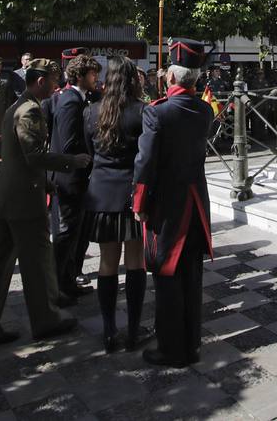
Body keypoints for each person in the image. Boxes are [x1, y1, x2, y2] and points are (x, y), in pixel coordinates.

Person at [0, 59, 91, 350]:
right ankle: (46, 319)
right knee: (38, 263)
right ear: (40, 81)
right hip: (24, 200)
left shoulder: (17, 106)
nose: (56, 86)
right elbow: (34, 155)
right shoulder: (30, 110)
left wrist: (47, 181)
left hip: (8, 196)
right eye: (53, 80)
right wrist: (71, 162)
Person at [133, 39, 215, 367]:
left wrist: (139, 201)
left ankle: (170, 348)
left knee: (167, 276)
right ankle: (191, 343)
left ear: (170, 77)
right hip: (197, 205)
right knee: (192, 278)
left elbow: (145, 163)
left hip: (168, 205)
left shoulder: (157, 112)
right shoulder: (205, 109)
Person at [83, 55, 149, 352]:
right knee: (135, 261)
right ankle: (134, 331)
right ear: (132, 79)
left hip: (101, 194)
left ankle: (110, 331)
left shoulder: (91, 112)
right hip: (131, 196)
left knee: (107, 262)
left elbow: (89, 153)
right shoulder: (142, 112)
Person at [47, 50, 100, 302]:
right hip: (69, 178)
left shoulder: (77, 98)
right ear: (80, 75)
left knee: (74, 234)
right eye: (92, 73)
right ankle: (57, 287)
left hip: (75, 177)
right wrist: (87, 156)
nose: (95, 78)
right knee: (66, 234)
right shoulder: (70, 100)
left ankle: (68, 282)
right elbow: (69, 144)